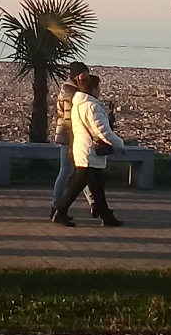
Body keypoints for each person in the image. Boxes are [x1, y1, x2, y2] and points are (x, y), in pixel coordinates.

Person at [51, 73, 125, 228]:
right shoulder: (92, 106)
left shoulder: (78, 104)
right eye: (98, 87)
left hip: (83, 149)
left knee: (96, 186)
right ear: (94, 88)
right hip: (90, 152)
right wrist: (119, 144)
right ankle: (60, 212)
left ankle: (106, 216)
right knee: (78, 185)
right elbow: (102, 130)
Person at [51, 62, 92, 216]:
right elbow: (69, 120)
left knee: (78, 171)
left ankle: (91, 201)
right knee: (70, 171)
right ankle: (57, 205)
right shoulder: (71, 94)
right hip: (70, 136)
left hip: (69, 135)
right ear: (77, 76)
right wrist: (72, 141)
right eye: (85, 75)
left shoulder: (70, 91)